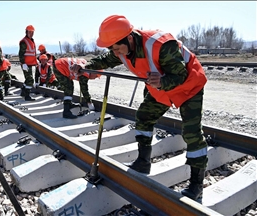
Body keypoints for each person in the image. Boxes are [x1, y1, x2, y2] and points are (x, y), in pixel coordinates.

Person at [70, 15, 208, 201]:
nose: (116, 53)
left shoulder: (160, 44)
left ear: (129, 38)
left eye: (117, 48)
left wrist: (162, 81)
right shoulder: (121, 49)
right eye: (113, 49)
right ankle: (143, 162)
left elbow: (180, 75)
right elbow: (105, 60)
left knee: (191, 133)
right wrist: (85, 66)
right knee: (143, 117)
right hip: (160, 88)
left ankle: (196, 185)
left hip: (189, 86)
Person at [18, 25, 37, 101]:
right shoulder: (24, 41)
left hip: (30, 64)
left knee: (27, 79)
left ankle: (23, 91)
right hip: (26, 64)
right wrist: (23, 63)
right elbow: (21, 54)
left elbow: (32, 53)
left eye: (32, 32)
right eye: (30, 32)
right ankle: (27, 96)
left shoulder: (31, 40)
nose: (31, 33)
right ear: (26, 32)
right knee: (30, 80)